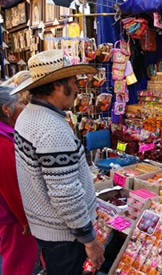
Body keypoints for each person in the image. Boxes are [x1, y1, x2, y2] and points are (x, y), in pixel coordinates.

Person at [11, 49, 105, 275]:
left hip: (47, 229)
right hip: (64, 236)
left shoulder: (28, 115)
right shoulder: (52, 129)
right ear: (56, 86)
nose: (76, 88)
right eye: (73, 82)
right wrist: (90, 240)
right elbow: (65, 194)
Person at [0, 85, 38, 275]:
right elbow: (11, 187)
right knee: (18, 263)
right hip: (13, 217)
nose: (24, 107)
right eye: (20, 103)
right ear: (6, 109)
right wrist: (25, 219)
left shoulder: (7, 136)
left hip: (10, 214)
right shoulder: (3, 143)